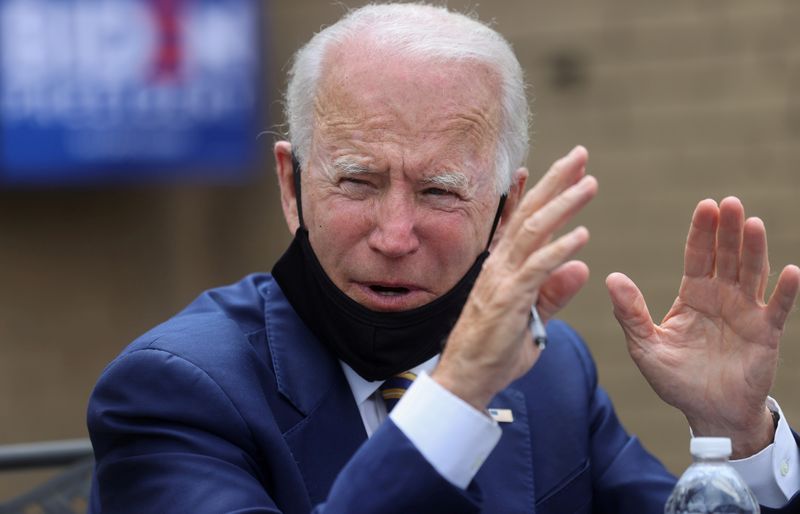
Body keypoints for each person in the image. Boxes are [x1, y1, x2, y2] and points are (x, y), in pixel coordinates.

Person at [87, 4, 800, 513]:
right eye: (358, 181)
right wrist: (456, 394)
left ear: (505, 208)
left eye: (438, 191)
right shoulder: (172, 392)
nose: (395, 234)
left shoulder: (551, 370)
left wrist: (735, 436)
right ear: (291, 182)